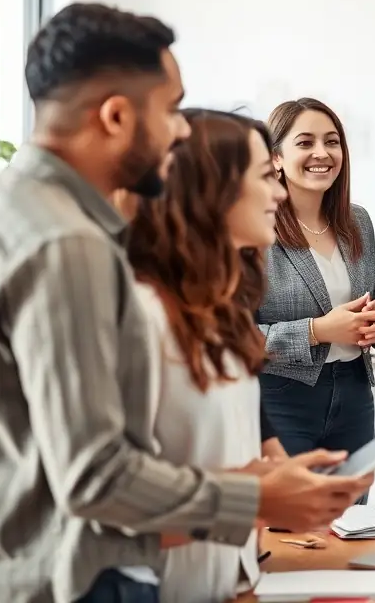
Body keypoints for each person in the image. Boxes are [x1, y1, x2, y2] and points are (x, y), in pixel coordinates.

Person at [0, 3, 372, 603]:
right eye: (170, 109)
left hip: (24, 562)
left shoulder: (6, 198)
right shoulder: (68, 242)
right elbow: (97, 475)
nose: (180, 131)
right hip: (71, 579)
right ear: (117, 116)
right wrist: (258, 498)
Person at [124, 109, 285, 602]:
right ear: (211, 190)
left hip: (228, 583)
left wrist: (271, 484)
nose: (281, 193)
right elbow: (117, 511)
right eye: (266, 177)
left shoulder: (224, 314)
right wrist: (259, 498)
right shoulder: (141, 316)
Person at [257, 98, 375, 460]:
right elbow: (231, 337)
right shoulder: (255, 227)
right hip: (281, 400)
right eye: (305, 143)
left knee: (353, 516)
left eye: (331, 142)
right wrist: (316, 331)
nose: (322, 153)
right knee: (290, 516)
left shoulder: (357, 221)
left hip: (354, 396)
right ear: (275, 158)